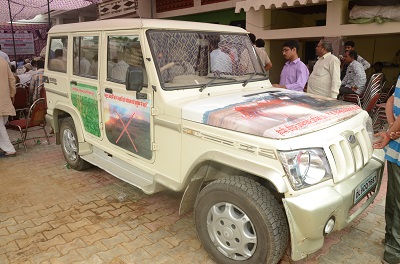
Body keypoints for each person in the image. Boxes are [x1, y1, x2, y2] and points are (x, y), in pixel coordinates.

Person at [372, 75, 400, 264]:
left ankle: (394, 252)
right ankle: (391, 239)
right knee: (393, 198)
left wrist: (389, 135)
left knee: (397, 203)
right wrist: (392, 127)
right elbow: (392, 99)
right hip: (396, 144)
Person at [0, 57, 17, 157]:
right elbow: (12, 79)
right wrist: (12, 94)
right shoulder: (3, 61)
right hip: (5, 99)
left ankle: (9, 148)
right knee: (1, 123)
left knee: (0, 126)